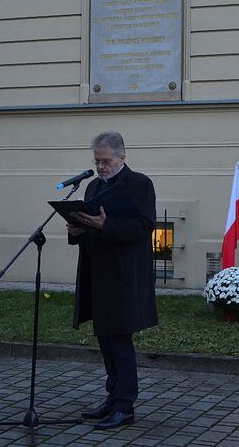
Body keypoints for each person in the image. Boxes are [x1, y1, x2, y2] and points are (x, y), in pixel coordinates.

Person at [67, 131, 158, 430]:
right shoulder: (93, 186)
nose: (101, 167)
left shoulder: (140, 184)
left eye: (106, 161)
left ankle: (125, 406)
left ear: (122, 157)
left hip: (124, 275)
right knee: (105, 339)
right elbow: (88, 225)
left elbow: (143, 227)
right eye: (97, 161)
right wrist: (77, 230)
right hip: (97, 274)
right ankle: (111, 397)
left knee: (120, 341)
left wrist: (107, 225)